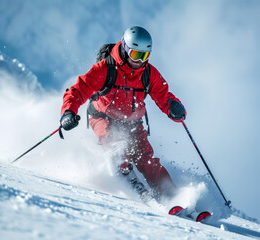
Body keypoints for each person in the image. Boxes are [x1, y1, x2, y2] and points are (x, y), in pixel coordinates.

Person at [60, 26, 186, 201]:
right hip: (102, 117)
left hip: (133, 122)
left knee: (147, 159)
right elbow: (78, 90)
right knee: (115, 145)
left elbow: (164, 96)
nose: (139, 60)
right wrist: (68, 112)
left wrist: (174, 107)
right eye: (136, 54)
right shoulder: (105, 69)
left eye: (145, 56)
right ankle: (133, 185)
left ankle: (173, 196)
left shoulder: (149, 74)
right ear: (126, 49)